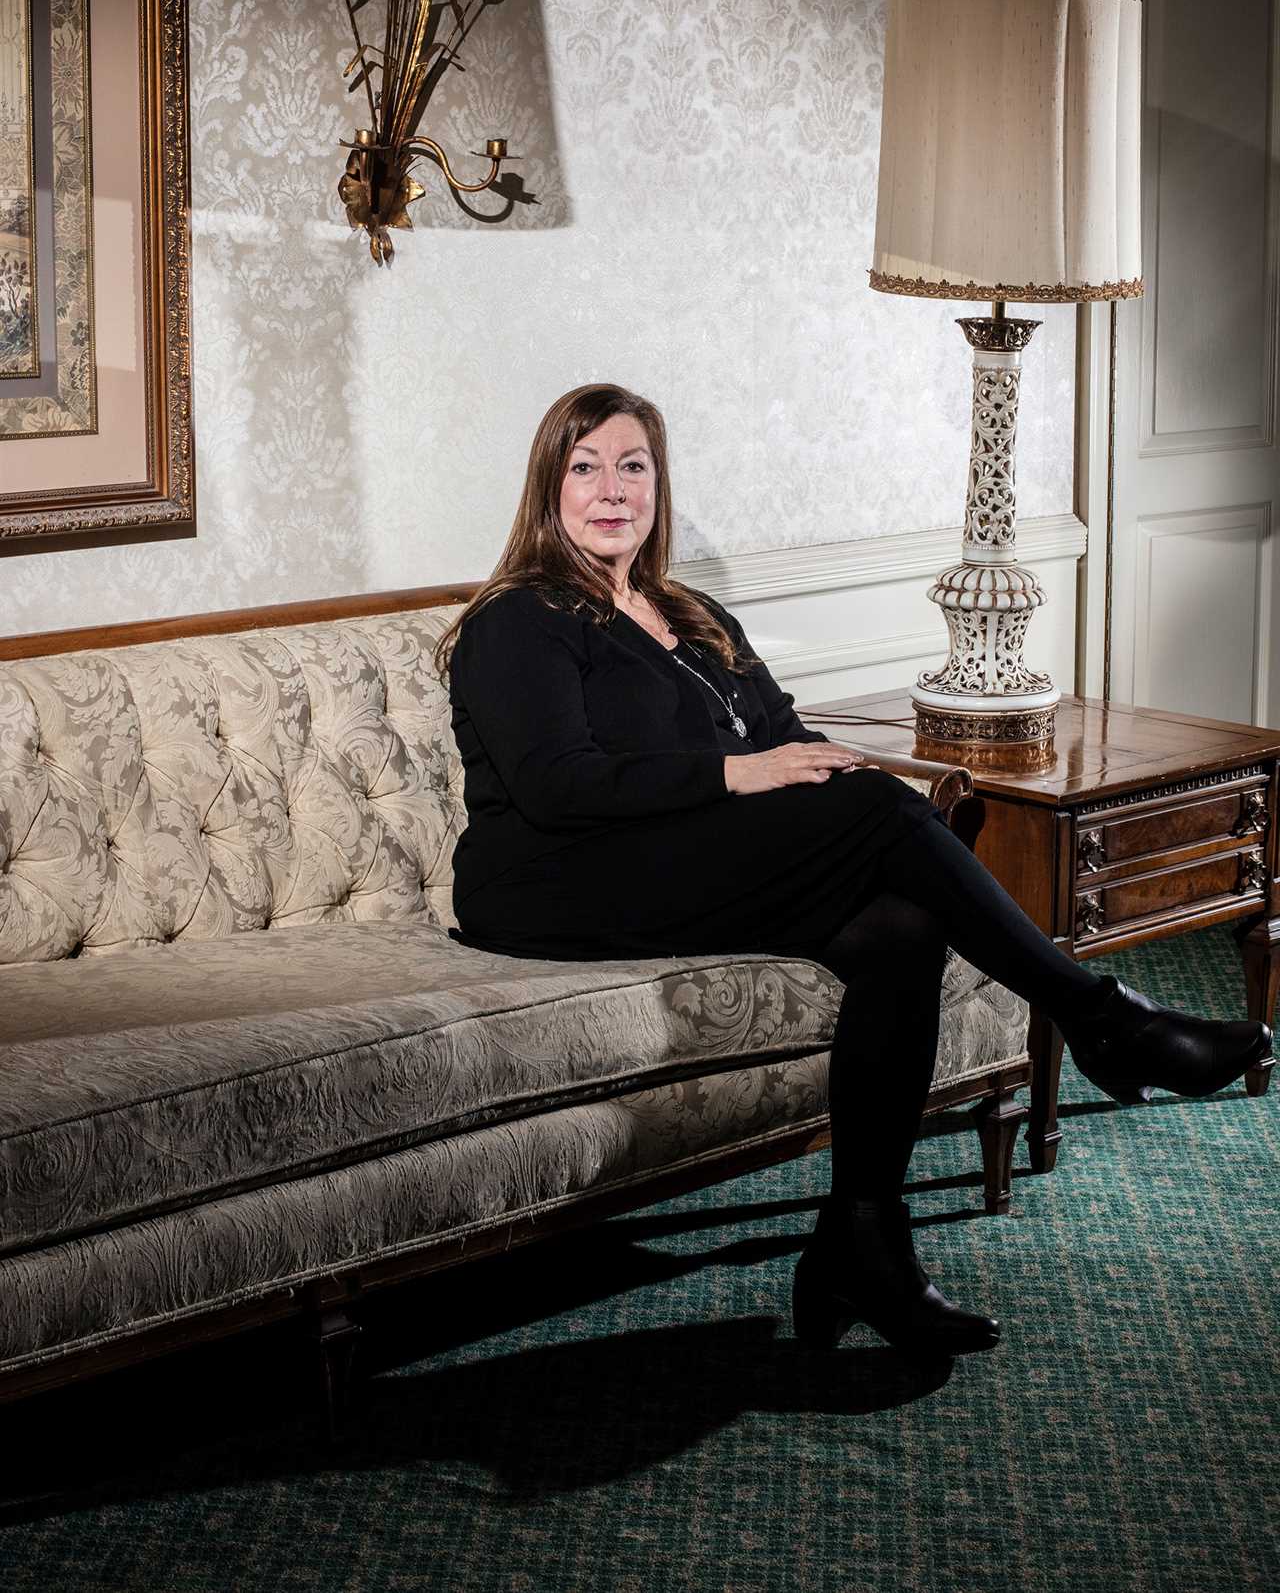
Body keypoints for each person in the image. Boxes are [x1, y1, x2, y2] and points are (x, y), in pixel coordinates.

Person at [436, 382, 1271, 1359]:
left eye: (633, 466)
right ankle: (1100, 1018)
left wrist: (824, 768)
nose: (611, 490)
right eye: (585, 468)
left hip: (667, 856)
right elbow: (556, 787)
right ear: (548, 486)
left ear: (659, 484)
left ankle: (862, 1240)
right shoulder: (519, 620)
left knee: (898, 928)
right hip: (549, 878)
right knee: (880, 816)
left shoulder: (684, 612)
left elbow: (785, 737)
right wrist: (754, 774)